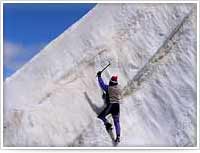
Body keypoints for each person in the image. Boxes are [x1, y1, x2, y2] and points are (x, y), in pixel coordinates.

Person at [96, 71, 122, 143]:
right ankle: (118, 136)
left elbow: (102, 85)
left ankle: (107, 124)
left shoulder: (108, 88)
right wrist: (106, 96)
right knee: (117, 121)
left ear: (111, 82)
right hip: (117, 106)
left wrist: (99, 76)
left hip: (111, 106)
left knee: (101, 116)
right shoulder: (118, 88)